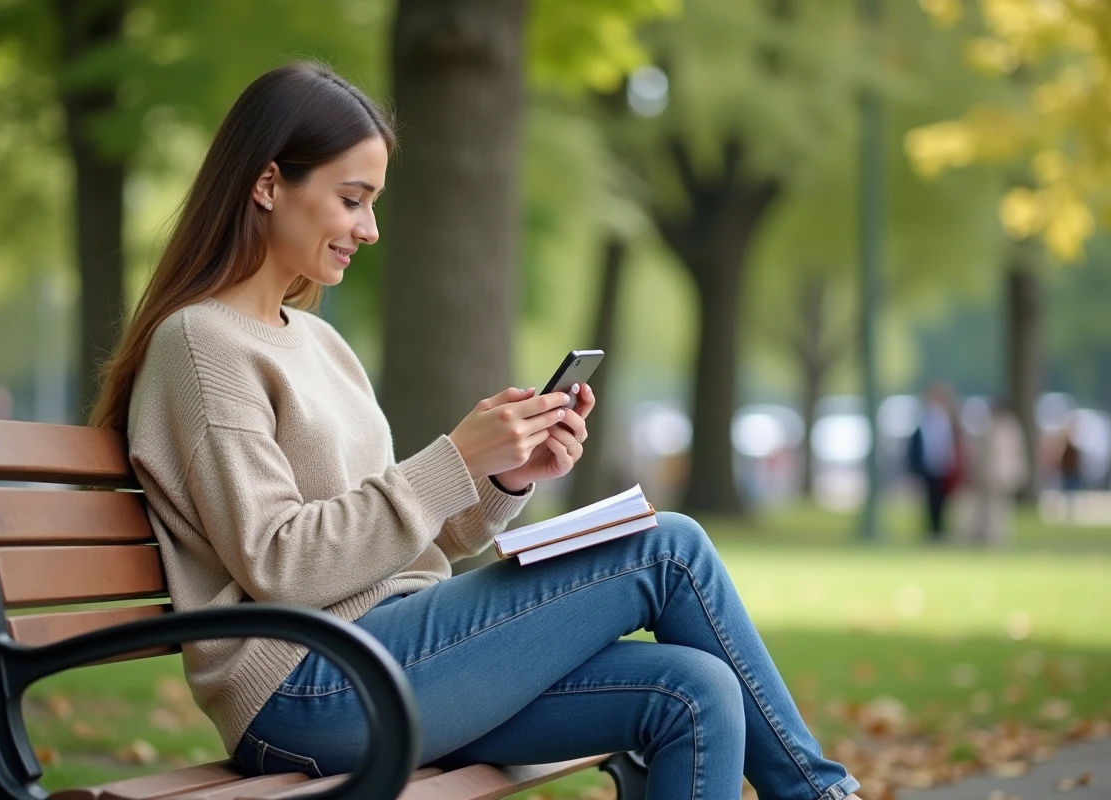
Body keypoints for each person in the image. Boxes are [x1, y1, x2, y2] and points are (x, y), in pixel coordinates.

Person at [89, 62, 860, 800]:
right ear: (267, 183)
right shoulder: (202, 345)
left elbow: (411, 543)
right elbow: (282, 563)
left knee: (696, 690)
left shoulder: (317, 341)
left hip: (395, 659)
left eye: (374, 203)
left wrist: (503, 475)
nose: (372, 228)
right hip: (311, 685)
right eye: (353, 199)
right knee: (669, 549)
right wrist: (452, 459)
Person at [965, 398, 1029, 546]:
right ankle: (989, 536)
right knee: (991, 508)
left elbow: (1017, 453)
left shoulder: (1009, 427)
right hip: (991, 474)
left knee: (1001, 509)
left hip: (1003, 474)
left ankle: (997, 537)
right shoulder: (992, 427)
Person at [906, 383, 964, 542]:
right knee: (929, 502)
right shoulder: (924, 421)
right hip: (928, 467)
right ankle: (932, 532)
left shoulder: (948, 421)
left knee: (944, 502)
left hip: (945, 468)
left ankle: (941, 531)